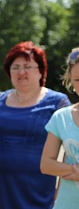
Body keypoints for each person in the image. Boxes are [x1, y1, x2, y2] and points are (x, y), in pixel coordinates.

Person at [0, 41, 71, 208]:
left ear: (41, 70)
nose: (21, 72)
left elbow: (70, 151)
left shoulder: (58, 103)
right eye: (15, 67)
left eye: (27, 66)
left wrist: (61, 193)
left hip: (37, 194)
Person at [40, 48, 79, 208]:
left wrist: (66, 170)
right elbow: (46, 165)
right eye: (78, 79)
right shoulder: (61, 117)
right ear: (71, 81)